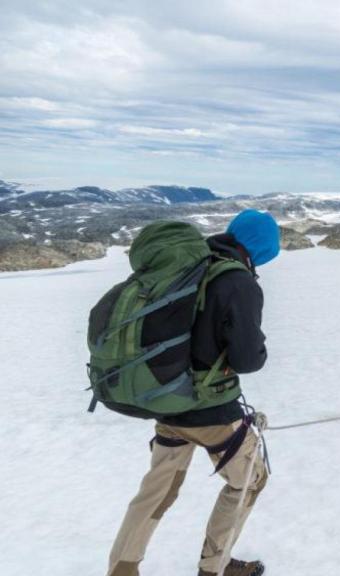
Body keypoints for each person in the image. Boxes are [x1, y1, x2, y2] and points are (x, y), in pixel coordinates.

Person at [107, 210, 280, 576]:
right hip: (212, 410)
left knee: (157, 490)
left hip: (167, 400)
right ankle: (214, 567)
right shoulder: (238, 282)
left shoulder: (193, 267)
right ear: (262, 248)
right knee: (250, 480)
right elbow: (247, 359)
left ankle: (122, 570)